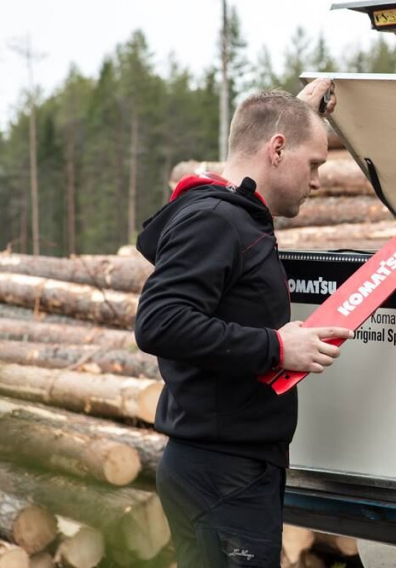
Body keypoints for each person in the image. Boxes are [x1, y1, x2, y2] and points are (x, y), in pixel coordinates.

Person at [134, 78, 353, 567]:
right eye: (314, 164)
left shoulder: (234, 213)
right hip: (220, 473)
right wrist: (276, 349)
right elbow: (159, 322)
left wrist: (301, 112)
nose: (316, 180)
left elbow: (276, 128)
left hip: (232, 469)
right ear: (277, 150)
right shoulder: (215, 220)